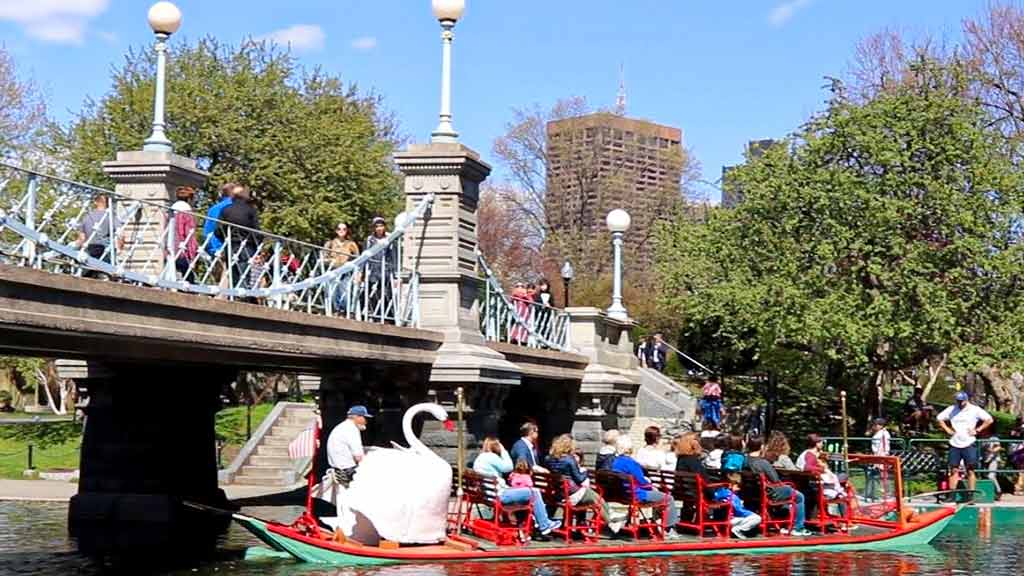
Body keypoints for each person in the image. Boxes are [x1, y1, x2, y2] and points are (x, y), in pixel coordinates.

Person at [472, 436, 561, 538]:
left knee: (528, 493)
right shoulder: (491, 456)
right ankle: (544, 525)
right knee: (534, 491)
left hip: (490, 495)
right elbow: (509, 467)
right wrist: (504, 451)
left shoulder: (480, 458)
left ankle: (538, 521)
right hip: (500, 495)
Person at [545, 434, 622, 533]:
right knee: (595, 497)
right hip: (572, 494)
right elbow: (580, 479)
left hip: (560, 493)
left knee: (592, 495)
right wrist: (585, 471)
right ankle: (611, 520)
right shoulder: (569, 460)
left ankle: (611, 517)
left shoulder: (548, 459)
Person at [610, 436, 683, 539]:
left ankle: (655, 523)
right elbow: (642, 481)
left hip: (624, 494)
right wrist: (651, 487)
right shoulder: (631, 463)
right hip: (637, 494)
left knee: (659, 497)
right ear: (629, 448)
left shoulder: (615, 462)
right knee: (668, 498)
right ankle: (669, 529)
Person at [746, 436, 810, 536]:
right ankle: (798, 527)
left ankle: (784, 522)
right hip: (769, 492)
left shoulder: (744, 461)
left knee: (787, 492)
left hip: (751, 492)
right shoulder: (763, 463)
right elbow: (775, 480)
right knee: (799, 496)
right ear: (762, 447)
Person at [937, 391, 994, 500]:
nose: (960, 403)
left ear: (966, 400)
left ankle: (970, 494)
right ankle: (952, 495)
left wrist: (977, 430)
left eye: (962, 401)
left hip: (969, 443)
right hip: (955, 442)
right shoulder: (951, 409)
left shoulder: (975, 409)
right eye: (958, 401)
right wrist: (947, 429)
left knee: (970, 469)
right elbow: (939, 418)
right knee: (953, 469)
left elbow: (989, 419)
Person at [216, 185, 261, 289]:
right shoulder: (251, 211)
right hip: (247, 246)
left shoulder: (225, 210)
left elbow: (218, 230)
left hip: (231, 245)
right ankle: (242, 296)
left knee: (233, 273)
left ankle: (233, 295)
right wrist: (256, 246)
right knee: (244, 273)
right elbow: (257, 231)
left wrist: (225, 240)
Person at [77, 195, 123, 279]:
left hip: (90, 247)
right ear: (107, 203)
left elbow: (81, 237)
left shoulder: (87, 216)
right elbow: (120, 234)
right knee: (108, 272)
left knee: (88, 270)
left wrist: (80, 247)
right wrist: (119, 249)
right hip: (105, 249)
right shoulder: (110, 216)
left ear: (95, 202)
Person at [326, 405, 372, 487]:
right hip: (346, 471)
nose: (366, 422)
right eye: (365, 418)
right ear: (358, 417)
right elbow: (359, 457)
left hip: (338, 469)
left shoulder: (342, 427)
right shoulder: (352, 430)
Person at [364, 216, 398, 321]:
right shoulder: (370, 240)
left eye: (381, 226)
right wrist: (362, 272)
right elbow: (364, 256)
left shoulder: (390, 239)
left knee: (387, 293)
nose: (379, 228)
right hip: (373, 271)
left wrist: (396, 275)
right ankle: (375, 316)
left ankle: (389, 318)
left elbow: (394, 256)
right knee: (373, 294)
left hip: (386, 271)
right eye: (377, 226)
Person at [324, 222, 360, 313]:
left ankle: (345, 312)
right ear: (336, 231)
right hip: (333, 270)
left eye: (344, 229)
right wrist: (330, 261)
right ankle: (335, 311)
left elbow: (358, 259)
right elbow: (323, 258)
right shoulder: (330, 243)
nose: (341, 231)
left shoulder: (351, 244)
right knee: (332, 292)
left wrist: (357, 273)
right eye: (339, 229)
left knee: (345, 293)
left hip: (345, 272)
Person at [713, 472, 762, 539]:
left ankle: (736, 529)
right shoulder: (732, 496)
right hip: (731, 520)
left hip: (721, 519)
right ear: (730, 485)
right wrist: (751, 514)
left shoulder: (720, 492)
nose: (739, 488)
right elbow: (739, 510)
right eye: (738, 486)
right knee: (757, 518)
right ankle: (738, 529)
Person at [170, 186, 199, 282]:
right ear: (189, 199)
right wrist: (193, 255)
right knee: (188, 279)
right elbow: (189, 235)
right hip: (183, 251)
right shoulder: (187, 213)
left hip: (170, 248)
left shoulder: (170, 211)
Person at [203, 182, 238, 257]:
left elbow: (207, 232)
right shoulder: (240, 209)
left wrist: (212, 249)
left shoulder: (213, 209)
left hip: (217, 249)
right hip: (237, 251)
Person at [866, 418, 891, 500]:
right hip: (876, 455)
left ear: (880, 425)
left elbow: (883, 446)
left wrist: (879, 457)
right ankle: (873, 493)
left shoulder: (883, 434)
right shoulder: (878, 433)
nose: (874, 426)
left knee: (882, 474)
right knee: (875, 474)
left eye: (875, 425)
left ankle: (885, 493)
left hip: (881, 455)